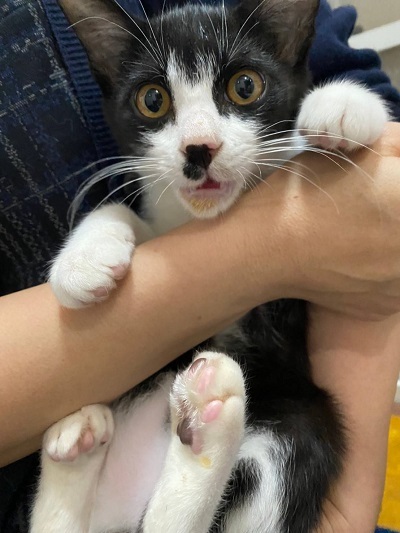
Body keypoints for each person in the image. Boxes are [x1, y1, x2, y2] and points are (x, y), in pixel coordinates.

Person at [0, 0, 400, 532]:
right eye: (154, 101)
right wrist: (114, 224)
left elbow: (384, 174)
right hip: (142, 439)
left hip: (273, 434)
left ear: (290, 50)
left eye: (242, 90)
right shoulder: (154, 203)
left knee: (303, 432)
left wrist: (343, 116)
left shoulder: (285, 136)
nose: (199, 139)